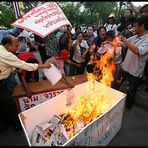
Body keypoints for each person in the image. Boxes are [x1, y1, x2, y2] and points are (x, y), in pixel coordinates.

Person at [0, 35, 51, 132]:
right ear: (7, 45)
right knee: (10, 105)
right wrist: (45, 65)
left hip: (3, 80)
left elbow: (7, 65)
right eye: (16, 45)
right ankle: (18, 127)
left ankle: (4, 123)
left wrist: (15, 70)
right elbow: (27, 66)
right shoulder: (6, 55)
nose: (18, 48)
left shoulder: (3, 51)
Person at [112, 16, 148, 109]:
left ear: (142, 26)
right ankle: (111, 100)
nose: (133, 28)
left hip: (135, 73)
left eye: (135, 26)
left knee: (131, 91)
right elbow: (123, 44)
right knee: (116, 84)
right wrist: (112, 42)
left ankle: (128, 106)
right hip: (124, 68)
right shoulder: (135, 37)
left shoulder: (147, 39)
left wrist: (124, 40)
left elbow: (138, 51)